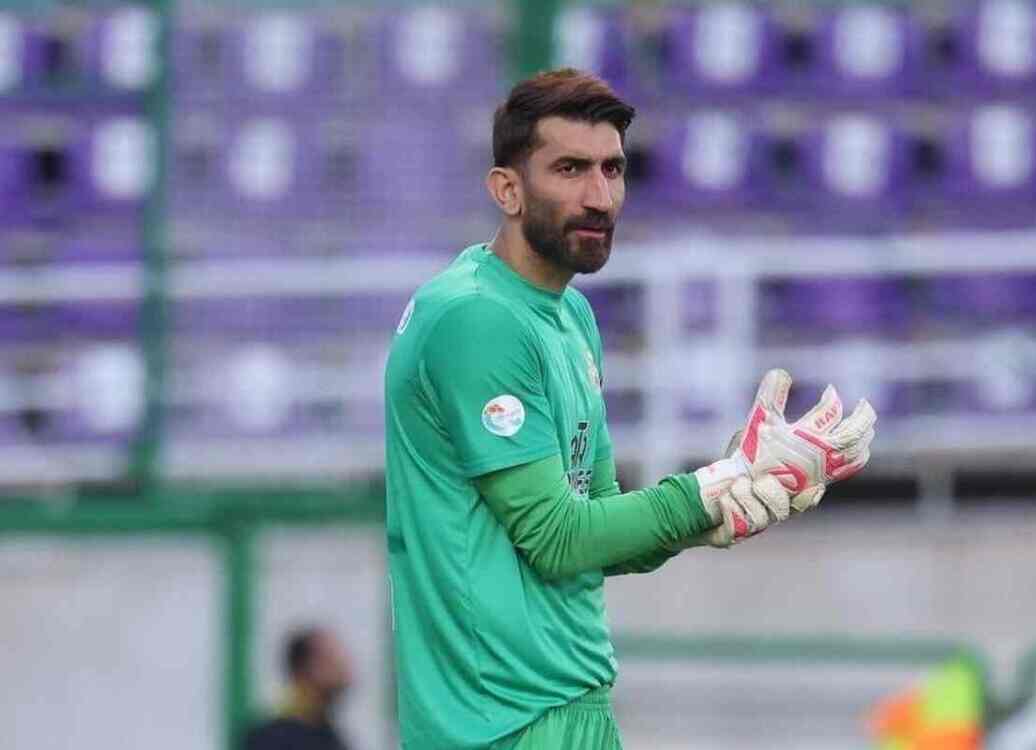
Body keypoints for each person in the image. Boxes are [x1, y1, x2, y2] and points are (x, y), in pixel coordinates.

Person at [384, 68, 878, 750]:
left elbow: (599, 524)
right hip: (498, 721)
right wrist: (711, 486)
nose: (599, 197)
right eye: (570, 169)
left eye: (612, 170)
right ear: (506, 189)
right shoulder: (478, 318)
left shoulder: (571, 317)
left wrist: (722, 507)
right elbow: (557, 538)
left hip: (570, 704)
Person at [243, 627, 354, 750]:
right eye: (332, 660)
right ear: (304, 668)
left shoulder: (330, 736)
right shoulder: (272, 739)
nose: (344, 668)